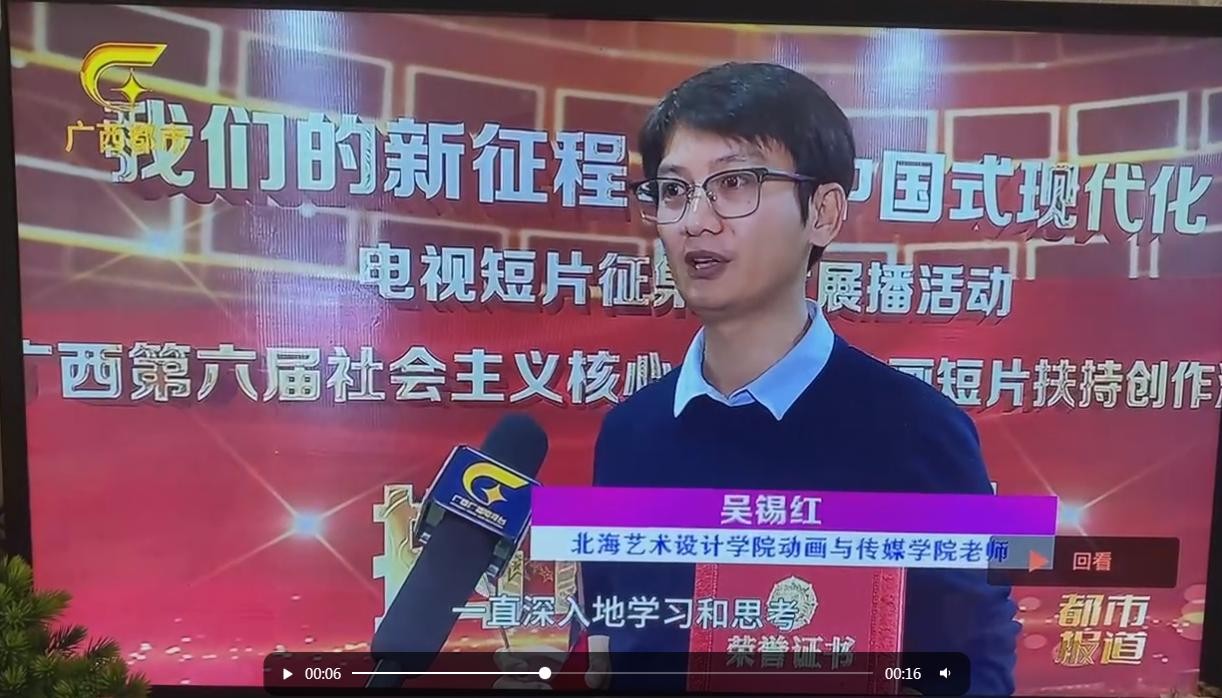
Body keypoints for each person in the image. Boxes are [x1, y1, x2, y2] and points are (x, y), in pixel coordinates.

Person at [576, 62, 1020, 696]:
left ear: (824, 213)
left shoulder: (915, 431)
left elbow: (971, 664)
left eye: (734, 183)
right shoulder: (629, 433)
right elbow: (608, 635)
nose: (695, 220)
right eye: (673, 191)